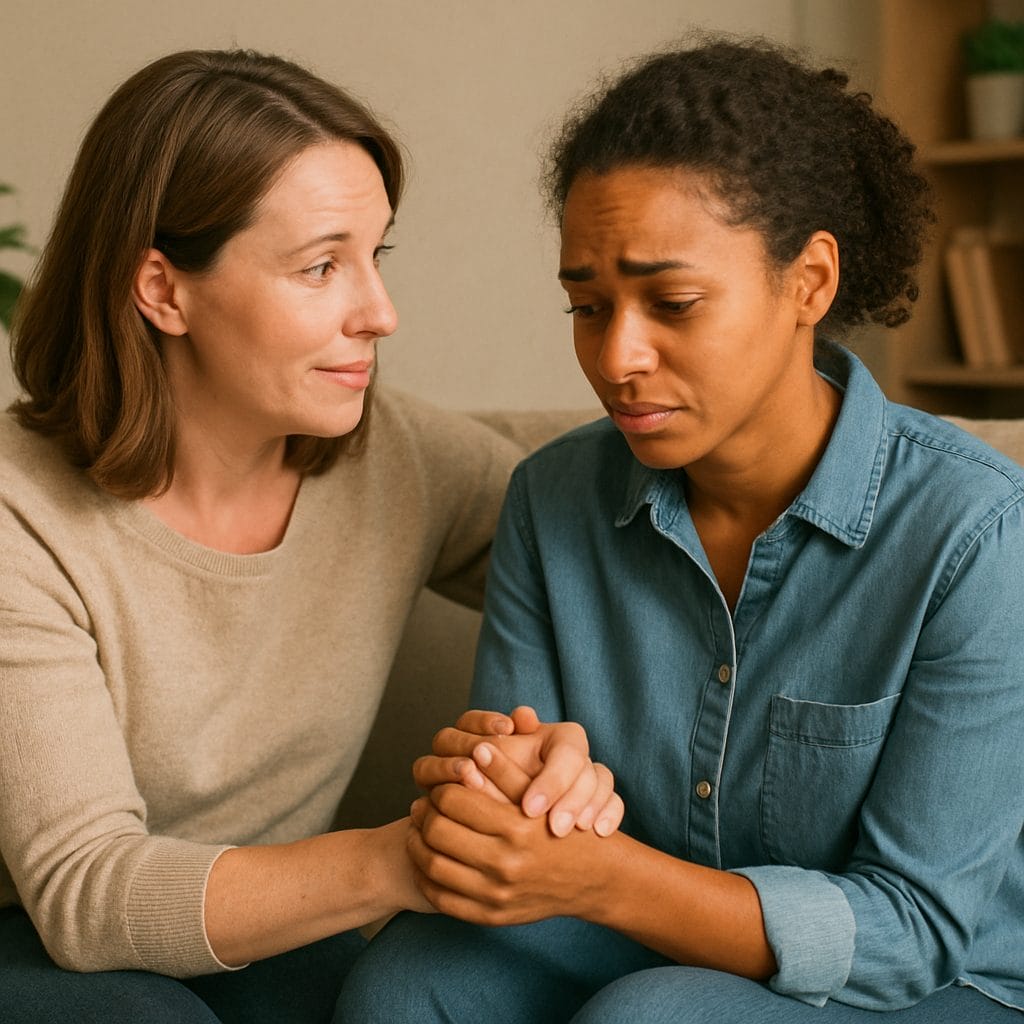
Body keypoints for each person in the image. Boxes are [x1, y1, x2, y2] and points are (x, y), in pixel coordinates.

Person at [335, 37, 1024, 1022]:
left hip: (935, 984)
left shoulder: (977, 535)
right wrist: (500, 783)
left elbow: (912, 930)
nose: (617, 357)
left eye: (673, 303)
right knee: (413, 976)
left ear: (809, 280)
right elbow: (514, 815)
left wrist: (603, 876)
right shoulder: (551, 498)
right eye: (587, 306)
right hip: (641, 941)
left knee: (656, 1015)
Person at [0, 49, 621, 1024]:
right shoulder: (19, 516)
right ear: (162, 289)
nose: (380, 314)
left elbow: (612, 560)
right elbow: (87, 895)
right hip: (33, 938)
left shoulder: (400, 458)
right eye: (322, 265)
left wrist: (550, 763)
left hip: (271, 936)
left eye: (377, 257)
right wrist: (412, 855)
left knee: (388, 996)